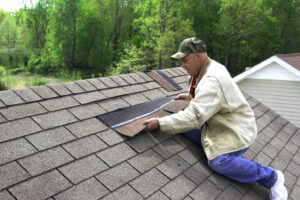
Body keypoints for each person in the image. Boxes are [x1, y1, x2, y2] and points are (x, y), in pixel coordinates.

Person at [143, 37, 288, 200]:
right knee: (179, 125)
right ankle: (232, 158)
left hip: (236, 130)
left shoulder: (212, 78)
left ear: (198, 56)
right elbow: (207, 96)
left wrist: (160, 123)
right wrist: (193, 96)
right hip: (218, 122)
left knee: (218, 161)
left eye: (185, 60)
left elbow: (195, 116)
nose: (182, 65)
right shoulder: (205, 68)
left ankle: (272, 178)